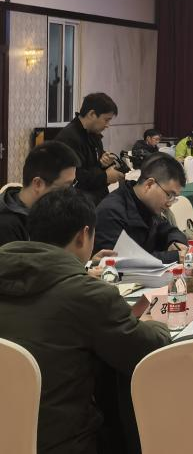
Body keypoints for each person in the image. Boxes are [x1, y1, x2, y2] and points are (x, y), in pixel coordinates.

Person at [0, 188, 170, 454]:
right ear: (83, 235)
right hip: (61, 440)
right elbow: (147, 351)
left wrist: (81, 269)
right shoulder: (87, 296)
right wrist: (156, 322)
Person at [95, 153, 188, 263]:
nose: (170, 203)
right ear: (149, 184)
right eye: (169, 195)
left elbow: (170, 230)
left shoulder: (148, 205)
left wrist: (176, 242)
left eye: (174, 198)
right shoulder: (111, 211)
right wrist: (173, 256)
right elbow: (120, 261)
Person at [0, 141, 80, 245]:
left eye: (72, 184)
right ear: (38, 184)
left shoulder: (50, 211)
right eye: (65, 186)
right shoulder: (6, 227)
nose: (70, 193)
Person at [54, 92, 123, 204]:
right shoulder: (69, 138)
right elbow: (74, 178)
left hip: (96, 198)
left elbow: (91, 165)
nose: (107, 125)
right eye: (106, 120)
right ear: (92, 114)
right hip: (79, 203)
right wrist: (105, 177)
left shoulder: (93, 134)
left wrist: (103, 162)